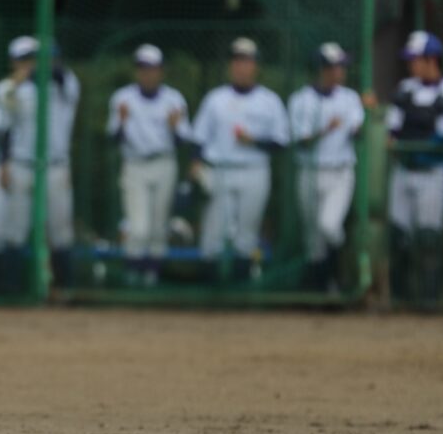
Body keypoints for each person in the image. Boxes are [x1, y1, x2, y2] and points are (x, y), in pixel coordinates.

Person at [191, 37, 289, 281]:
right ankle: (208, 292)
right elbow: (199, 137)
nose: (241, 66)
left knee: (247, 232)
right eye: (237, 61)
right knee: (214, 230)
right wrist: (195, 163)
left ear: (256, 66)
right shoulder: (215, 99)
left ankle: (240, 292)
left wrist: (253, 140)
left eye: (247, 61)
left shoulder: (269, 100)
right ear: (230, 66)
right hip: (221, 169)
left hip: (255, 169)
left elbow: (281, 142)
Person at [0, 36, 79, 287]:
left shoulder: (64, 84)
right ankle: (13, 291)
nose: (34, 64)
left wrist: (46, 60)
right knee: (15, 231)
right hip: (22, 164)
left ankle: (65, 290)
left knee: (61, 230)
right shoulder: (15, 89)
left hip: (56, 165)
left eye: (38, 59)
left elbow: (59, 74)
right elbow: (2, 127)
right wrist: (4, 163)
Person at [386, 30, 443, 304]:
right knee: (398, 235)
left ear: (432, 59)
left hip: (433, 173)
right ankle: (401, 297)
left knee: (428, 238)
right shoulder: (405, 89)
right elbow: (392, 129)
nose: (412, 64)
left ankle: (429, 300)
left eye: (416, 59)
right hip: (403, 170)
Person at [106, 44, 192, 287]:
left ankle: (151, 279)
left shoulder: (174, 98)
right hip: (134, 164)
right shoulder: (123, 98)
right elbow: (112, 139)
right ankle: (132, 278)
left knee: (157, 227)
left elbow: (184, 141)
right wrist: (121, 123)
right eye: (143, 68)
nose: (147, 73)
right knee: (138, 228)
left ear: (161, 71)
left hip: (164, 163)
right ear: (137, 71)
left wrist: (174, 127)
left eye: (152, 68)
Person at [287, 42, 365, 292]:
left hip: (340, 171)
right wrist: (324, 130)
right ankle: (322, 288)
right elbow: (300, 140)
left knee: (329, 226)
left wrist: (368, 116)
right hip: (309, 172)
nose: (339, 71)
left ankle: (345, 266)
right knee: (313, 239)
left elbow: (358, 131)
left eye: (341, 66)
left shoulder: (350, 98)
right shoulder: (301, 99)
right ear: (321, 68)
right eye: (334, 66)